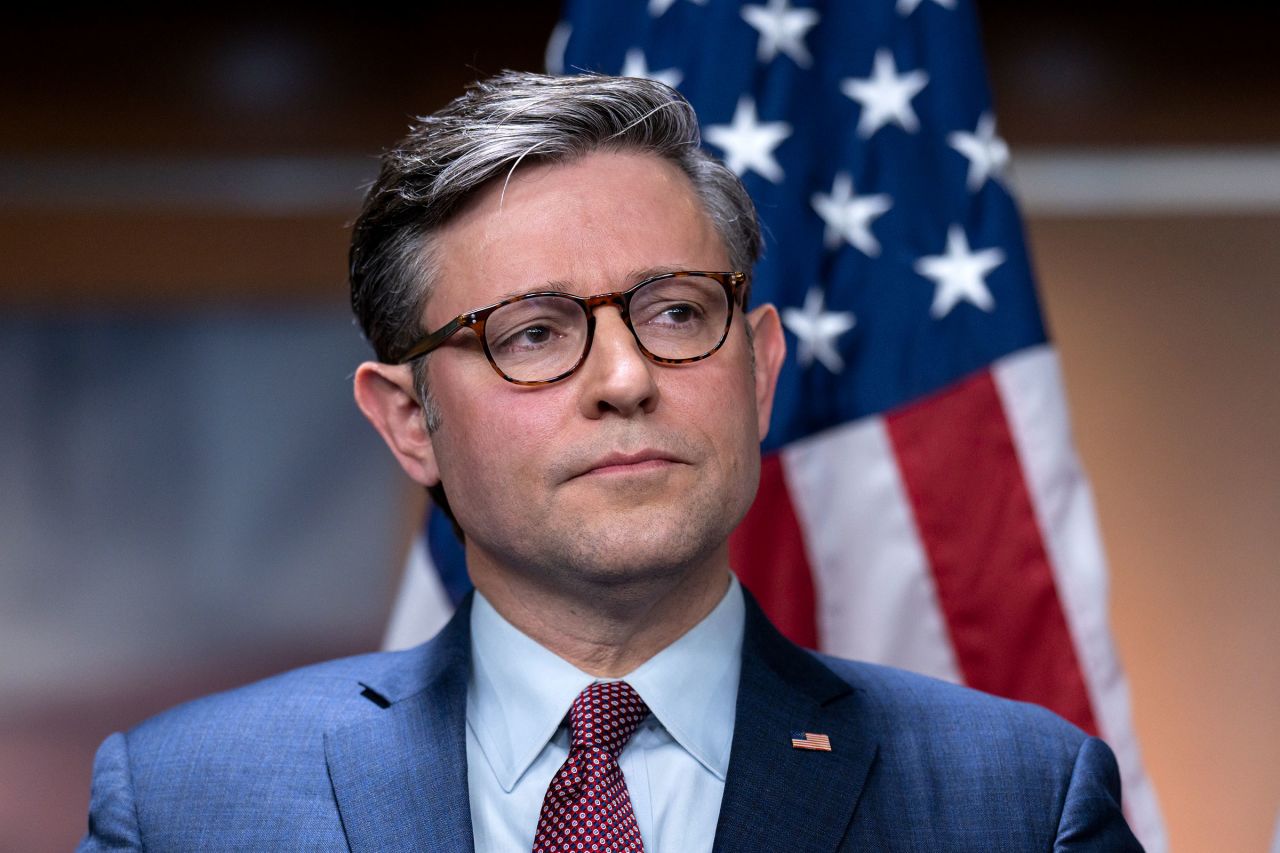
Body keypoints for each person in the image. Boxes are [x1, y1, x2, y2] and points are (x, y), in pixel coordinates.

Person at [78, 72, 1142, 852]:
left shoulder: (1017, 800)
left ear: (759, 369)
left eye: (676, 311)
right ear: (409, 421)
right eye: (532, 332)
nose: (625, 377)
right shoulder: (187, 804)